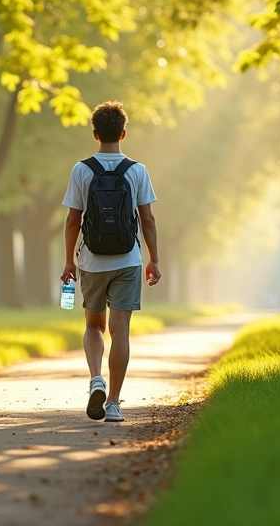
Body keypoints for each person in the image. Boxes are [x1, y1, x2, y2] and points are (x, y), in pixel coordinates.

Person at [60, 101, 161, 423]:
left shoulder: (82, 169)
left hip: (91, 260)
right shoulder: (137, 170)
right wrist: (154, 259)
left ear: (95, 134)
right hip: (128, 260)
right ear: (123, 133)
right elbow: (147, 220)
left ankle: (96, 379)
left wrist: (68, 262)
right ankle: (114, 403)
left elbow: (73, 221)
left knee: (93, 326)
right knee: (121, 332)